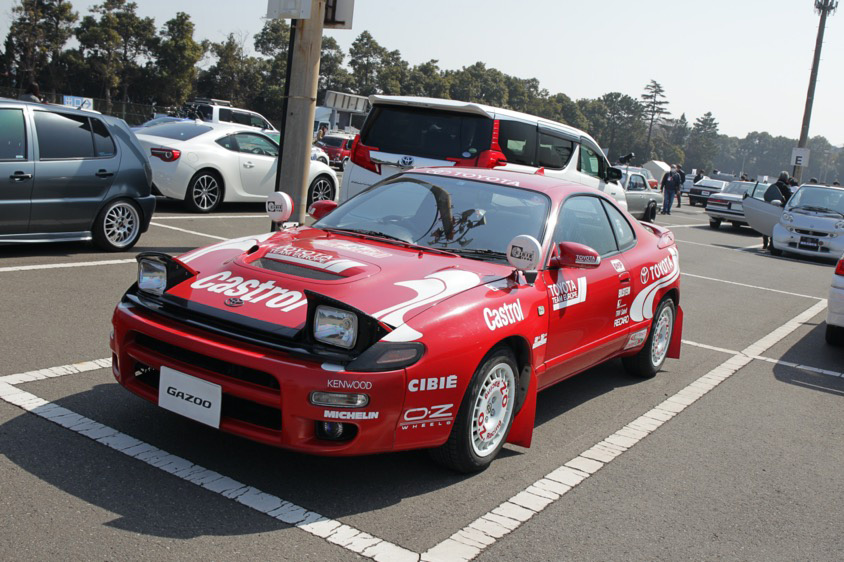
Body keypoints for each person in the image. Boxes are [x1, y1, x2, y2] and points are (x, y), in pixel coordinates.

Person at [761, 171, 793, 250]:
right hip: (779, 210)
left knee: (767, 226)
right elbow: (789, 199)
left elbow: (766, 196)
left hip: (769, 208)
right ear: (786, 179)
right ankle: (771, 245)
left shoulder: (773, 185)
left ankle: (765, 243)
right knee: (776, 226)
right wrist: (783, 205)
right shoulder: (785, 187)